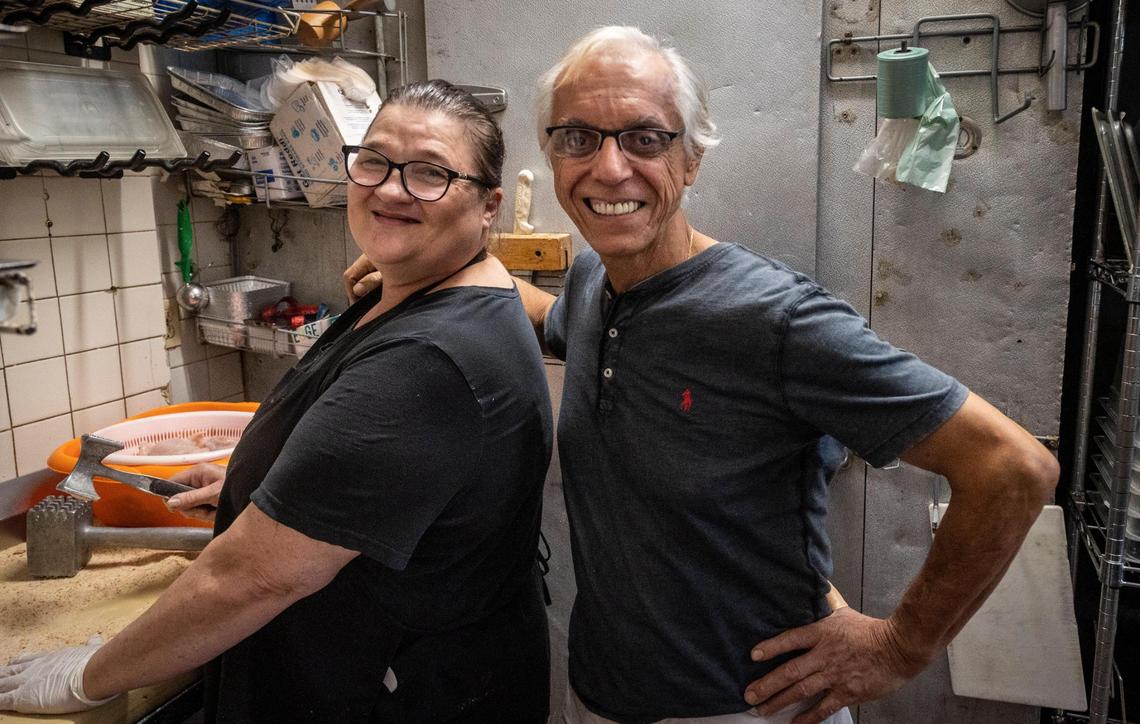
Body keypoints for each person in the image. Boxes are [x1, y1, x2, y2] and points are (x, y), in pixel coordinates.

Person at [344, 25, 1061, 724]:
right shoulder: (598, 283)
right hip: (603, 693)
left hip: (744, 706)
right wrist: (430, 270)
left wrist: (901, 647)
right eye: (579, 138)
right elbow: (545, 313)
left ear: (692, 159)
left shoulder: (773, 319)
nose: (610, 167)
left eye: (646, 138)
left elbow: (1012, 467)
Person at [0, 80, 553, 722]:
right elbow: (368, 479)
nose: (391, 188)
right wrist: (255, 479)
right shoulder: (411, 294)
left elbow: (253, 576)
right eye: (373, 161)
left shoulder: (431, 359)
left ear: (488, 206)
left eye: (430, 173)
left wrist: (91, 676)